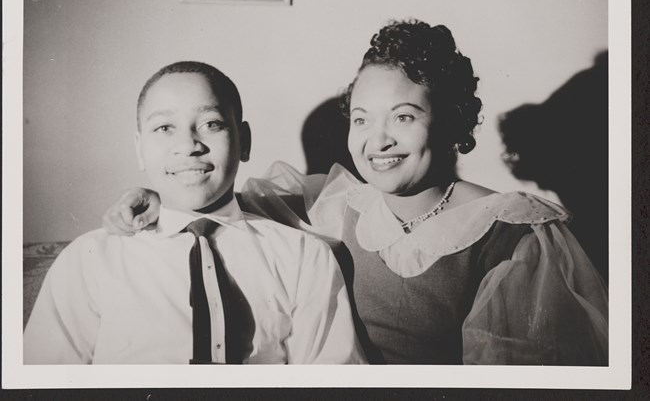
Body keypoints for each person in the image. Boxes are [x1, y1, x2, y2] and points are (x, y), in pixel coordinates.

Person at [104, 22, 608, 365]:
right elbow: (223, 202)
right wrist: (154, 194)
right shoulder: (340, 204)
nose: (378, 140)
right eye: (361, 119)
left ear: (451, 121)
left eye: (404, 117)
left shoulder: (507, 231)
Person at [24, 61, 365, 365]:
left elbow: (330, 379)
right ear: (140, 149)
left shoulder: (303, 257)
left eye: (211, 124)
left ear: (244, 141)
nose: (188, 145)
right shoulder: (89, 260)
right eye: (164, 128)